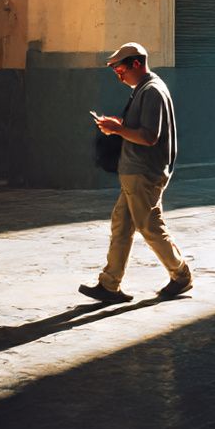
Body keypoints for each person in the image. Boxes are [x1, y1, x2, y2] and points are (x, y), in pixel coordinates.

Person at [79, 42, 193, 303]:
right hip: (134, 172)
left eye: (120, 68)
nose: (118, 74)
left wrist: (118, 130)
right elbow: (140, 130)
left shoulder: (151, 91)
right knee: (121, 226)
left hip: (144, 173)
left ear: (137, 64)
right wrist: (118, 126)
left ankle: (181, 275)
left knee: (151, 227)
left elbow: (149, 136)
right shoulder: (143, 89)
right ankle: (109, 285)